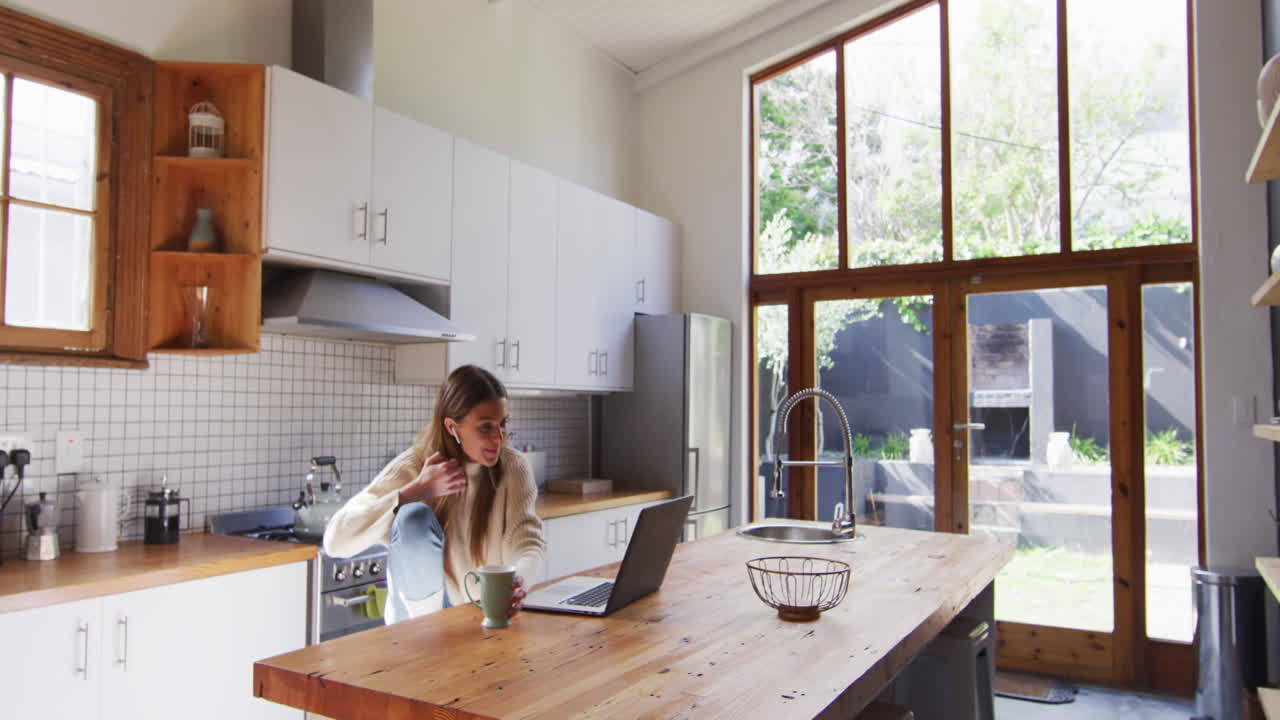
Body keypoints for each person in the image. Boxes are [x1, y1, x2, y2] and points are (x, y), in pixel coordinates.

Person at [324, 364, 545, 623]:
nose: (499, 437)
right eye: (486, 427)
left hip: (474, 612)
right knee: (413, 516)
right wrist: (416, 490)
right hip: (414, 620)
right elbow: (335, 541)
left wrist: (520, 578)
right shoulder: (415, 465)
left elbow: (526, 538)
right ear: (452, 427)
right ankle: (428, 632)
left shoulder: (513, 466)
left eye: (503, 424)